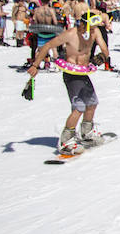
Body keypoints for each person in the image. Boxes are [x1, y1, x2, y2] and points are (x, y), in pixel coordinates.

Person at [27, 12, 110, 155]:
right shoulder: (70, 34)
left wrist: (103, 56)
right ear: (83, 24)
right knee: (79, 107)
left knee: (92, 103)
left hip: (83, 73)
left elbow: (104, 49)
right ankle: (66, 140)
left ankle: (87, 132)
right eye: (89, 26)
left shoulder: (94, 32)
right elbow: (47, 46)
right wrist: (35, 65)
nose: (91, 30)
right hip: (71, 74)